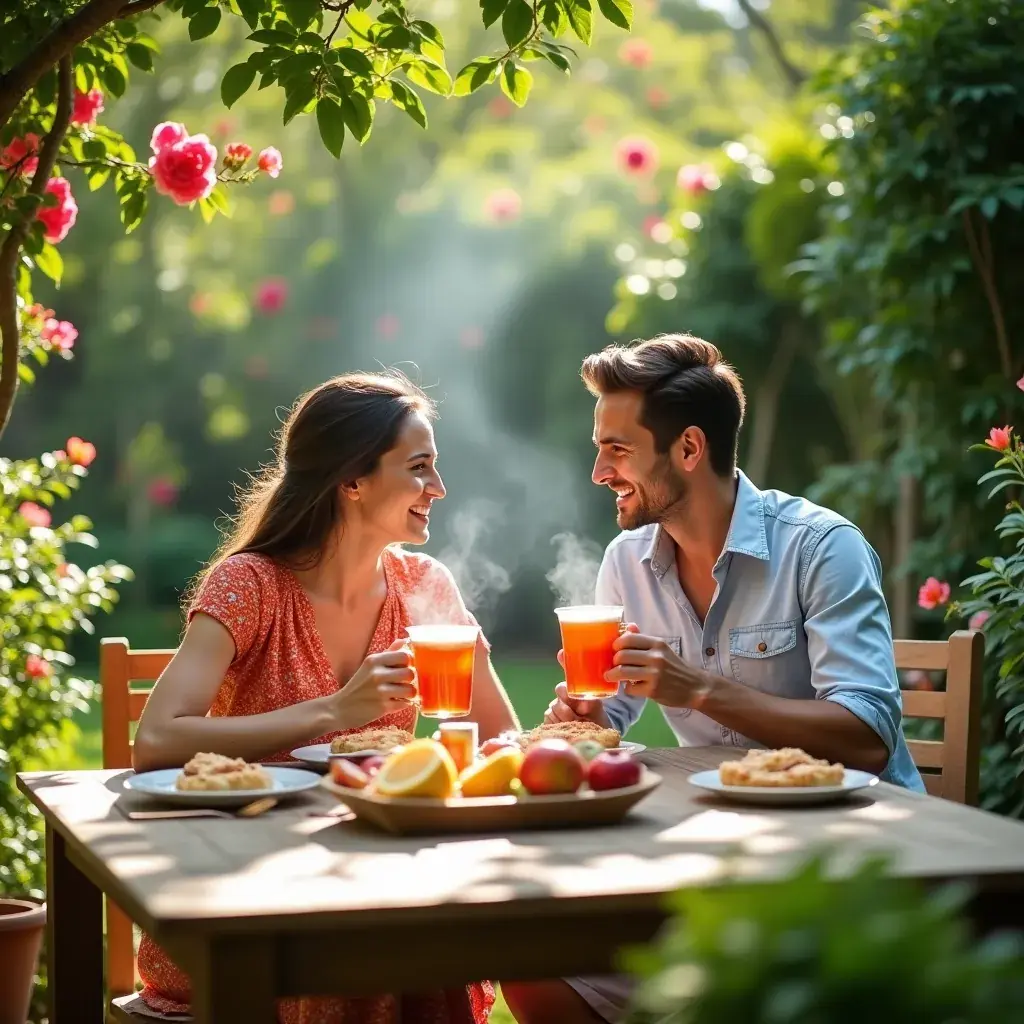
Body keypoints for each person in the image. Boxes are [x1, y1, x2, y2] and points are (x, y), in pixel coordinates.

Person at [502, 334, 922, 1024]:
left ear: (689, 449)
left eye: (617, 449)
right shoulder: (627, 562)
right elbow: (610, 715)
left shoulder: (821, 548)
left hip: (848, 866)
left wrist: (696, 688)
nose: (599, 471)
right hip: (714, 857)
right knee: (533, 971)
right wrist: (582, 717)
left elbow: (868, 737)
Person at [133, 370, 518, 1024]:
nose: (438, 487)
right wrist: (335, 712)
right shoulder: (250, 584)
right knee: (370, 959)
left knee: (430, 943)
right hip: (238, 899)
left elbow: (500, 736)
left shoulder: (425, 586)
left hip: (378, 876)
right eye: (418, 468)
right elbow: (156, 739)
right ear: (352, 480)